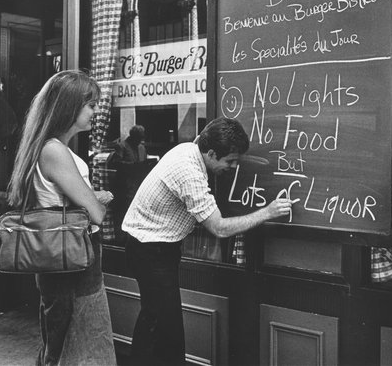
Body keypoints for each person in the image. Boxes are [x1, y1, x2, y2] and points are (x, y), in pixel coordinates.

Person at [122, 116, 292, 365]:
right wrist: (267, 212)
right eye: (230, 161)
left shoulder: (189, 150)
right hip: (151, 250)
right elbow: (219, 228)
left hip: (151, 247)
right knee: (167, 333)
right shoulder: (189, 172)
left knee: (155, 322)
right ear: (211, 153)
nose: (234, 167)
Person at [7, 70, 116, 365]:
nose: (96, 111)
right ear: (69, 106)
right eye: (91, 105)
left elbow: (64, 198)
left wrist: (91, 196)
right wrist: (98, 198)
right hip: (71, 260)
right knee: (75, 345)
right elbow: (95, 213)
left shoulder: (48, 147)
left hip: (64, 256)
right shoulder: (55, 150)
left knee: (64, 340)